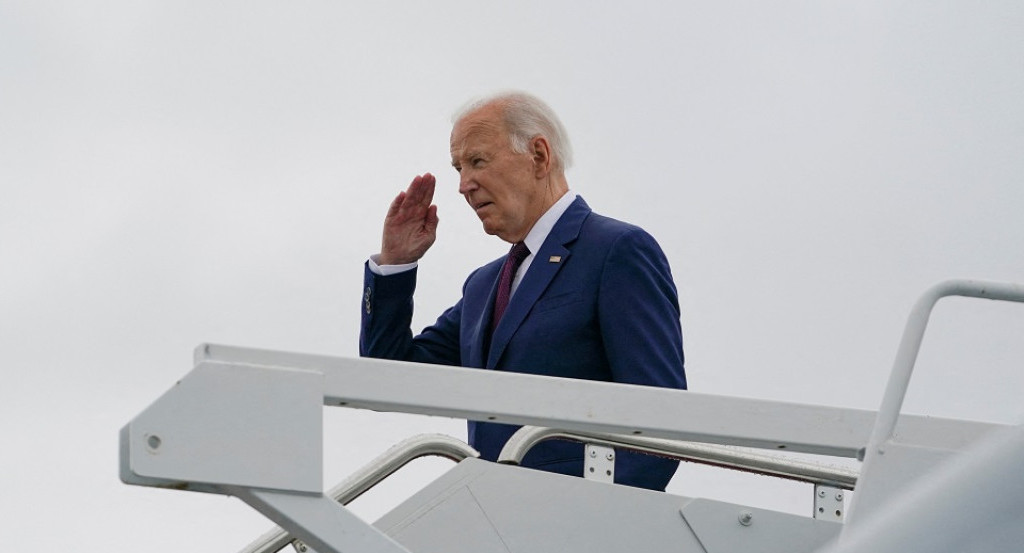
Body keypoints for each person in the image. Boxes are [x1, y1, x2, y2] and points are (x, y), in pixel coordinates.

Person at [360, 91, 686, 491]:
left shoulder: (616, 250)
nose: (463, 185)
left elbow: (662, 421)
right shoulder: (484, 286)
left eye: (477, 161)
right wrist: (395, 264)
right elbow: (389, 379)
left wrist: (590, 516)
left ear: (538, 156)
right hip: (494, 519)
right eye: (458, 168)